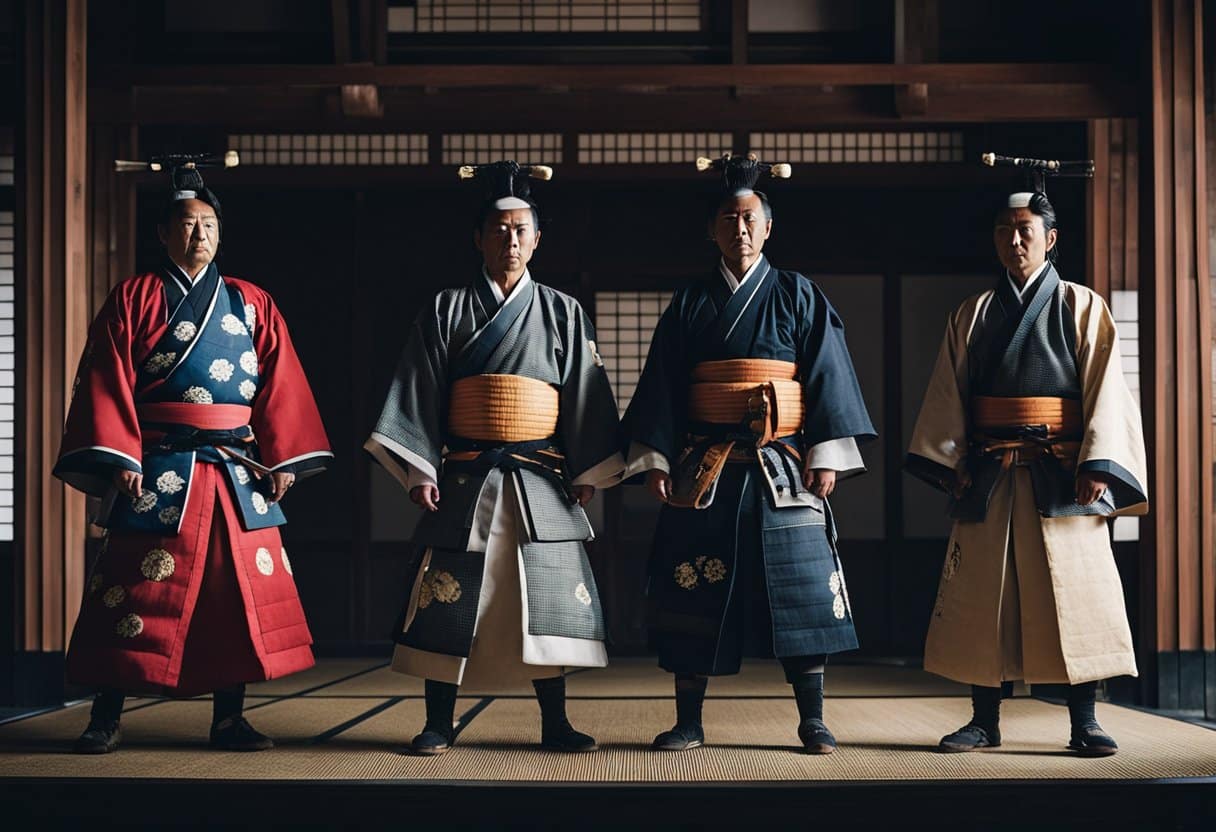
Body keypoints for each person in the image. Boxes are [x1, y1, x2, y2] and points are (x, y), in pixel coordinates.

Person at [55, 154, 332, 754]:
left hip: (236, 468)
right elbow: (106, 379)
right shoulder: (133, 296)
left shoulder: (251, 301)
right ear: (162, 233)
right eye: (185, 223)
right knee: (133, 589)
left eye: (208, 223)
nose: (198, 233)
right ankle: (106, 715)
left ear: (220, 232)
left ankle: (228, 717)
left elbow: (282, 385)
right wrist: (122, 456)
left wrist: (283, 459)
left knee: (232, 599)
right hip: (158, 466)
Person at [366, 161, 624, 755]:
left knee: (545, 597)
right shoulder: (447, 308)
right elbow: (418, 390)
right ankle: (438, 721)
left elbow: (585, 393)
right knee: (449, 593)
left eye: (521, 230)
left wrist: (584, 469)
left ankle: (554, 721)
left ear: (536, 238)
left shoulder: (563, 311)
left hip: (540, 475)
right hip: (465, 476)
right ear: (478, 237)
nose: (510, 240)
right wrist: (420, 470)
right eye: (499, 229)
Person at [623, 154, 876, 754]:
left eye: (749, 219)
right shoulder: (690, 302)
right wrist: (657, 458)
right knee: (693, 586)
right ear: (711, 230)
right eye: (727, 220)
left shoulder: (797, 294)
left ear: (767, 229)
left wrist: (827, 453)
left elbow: (827, 377)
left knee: (801, 586)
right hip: (705, 466)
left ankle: (812, 718)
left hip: (781, 464)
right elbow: (661, 384)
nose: (738, 230)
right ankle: (689, 720)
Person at [906, 153, 1148, 757]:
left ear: (1051, 239)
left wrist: (1098, 463)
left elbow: (1105, 391)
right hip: (990, 469)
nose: (1015, 241)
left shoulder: (1081, 306)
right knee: (983, 597)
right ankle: (983, 719)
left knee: (1076, 593)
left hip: (1063, 472)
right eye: (1005, 231)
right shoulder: (975, 314)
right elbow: (949, 395)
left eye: (1026, 231)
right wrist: (953, 460)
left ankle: (1085, 720)